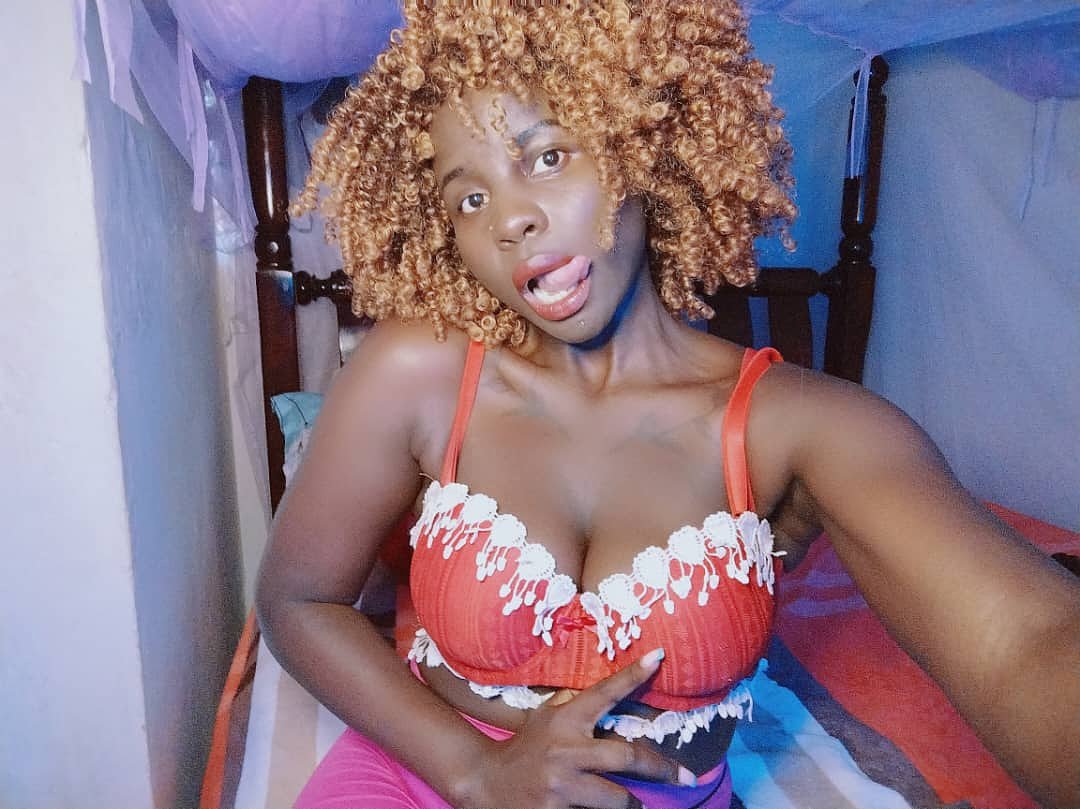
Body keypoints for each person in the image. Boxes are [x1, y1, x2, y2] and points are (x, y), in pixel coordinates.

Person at [258, 2, 1080, 808]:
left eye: (547, 156)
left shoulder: (795, 426)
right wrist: (474, 771)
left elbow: (1025, 642)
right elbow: (297, 599)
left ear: (640, 140)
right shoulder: (420, 369)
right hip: (420, 777)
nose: (510, 219)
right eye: (468, 198)